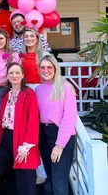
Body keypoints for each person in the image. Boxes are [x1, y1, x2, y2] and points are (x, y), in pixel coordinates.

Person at [0, 62, 40, 195]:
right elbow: (1, 122)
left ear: (23, 75)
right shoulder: (6, 95)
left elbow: (33, 122)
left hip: (23, 141)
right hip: (5, 139)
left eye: (17, 72)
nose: (14, 75)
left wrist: (26, 146)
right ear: (7, 76)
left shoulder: (28, 94)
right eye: (11, 73)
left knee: (25, 183)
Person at [36, 55, 77, 195]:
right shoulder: (39, 89)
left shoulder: (66, 87)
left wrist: (59, 145)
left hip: (61, 136)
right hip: (44, 134)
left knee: (59, 183)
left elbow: (69, 118)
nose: (45, 70)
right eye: (42, 67)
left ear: (55, 68)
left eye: (49, 67)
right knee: (51, 179)